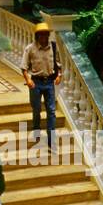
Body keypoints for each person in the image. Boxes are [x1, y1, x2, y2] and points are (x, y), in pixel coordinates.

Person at [22, 22, 61, 152]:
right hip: (36, 83)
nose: (44, 37)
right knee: (36, 108)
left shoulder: (53, 47)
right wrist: (28, 79)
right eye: (41, 34)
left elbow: (58, 64)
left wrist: (59, 75)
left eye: (46, 34)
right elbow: (24, 67)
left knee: (51, 111)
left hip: (49, 82)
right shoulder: (30, 49)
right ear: (37, 35)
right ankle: (36, 129)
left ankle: (51, 141)